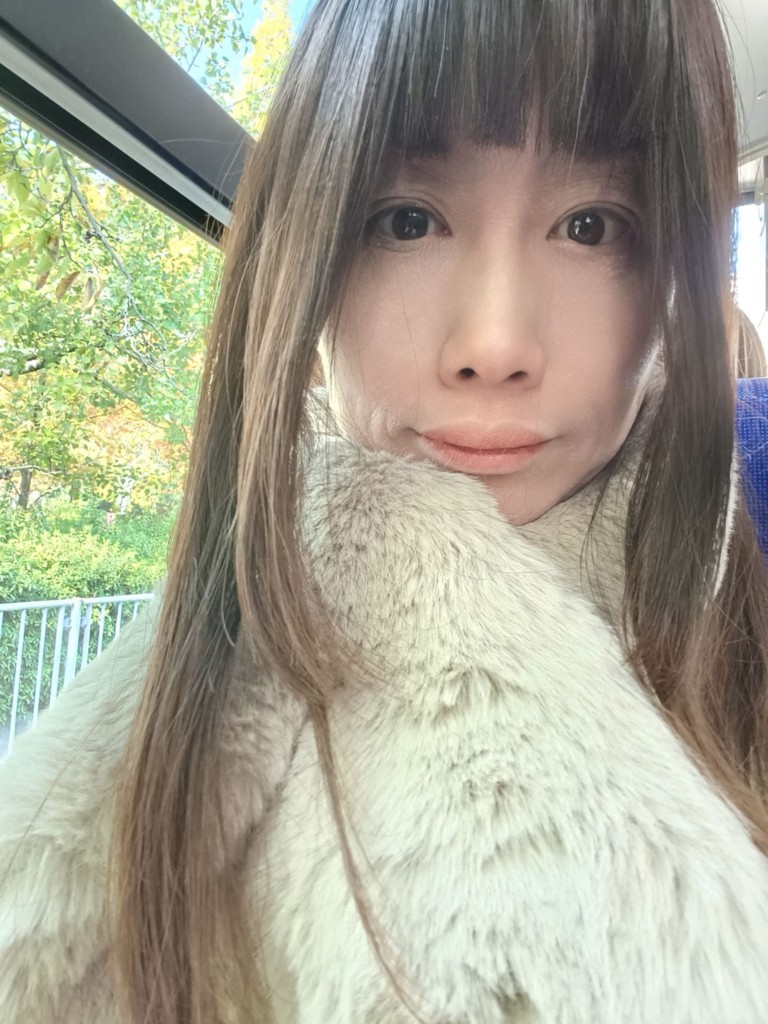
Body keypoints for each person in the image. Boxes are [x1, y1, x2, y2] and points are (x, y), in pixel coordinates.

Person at [2, 0, 768, 1021]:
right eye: (407, 219)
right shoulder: (164, 716)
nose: (494, 343)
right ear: (308, 260)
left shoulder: (746, 584)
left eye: (593, 225)